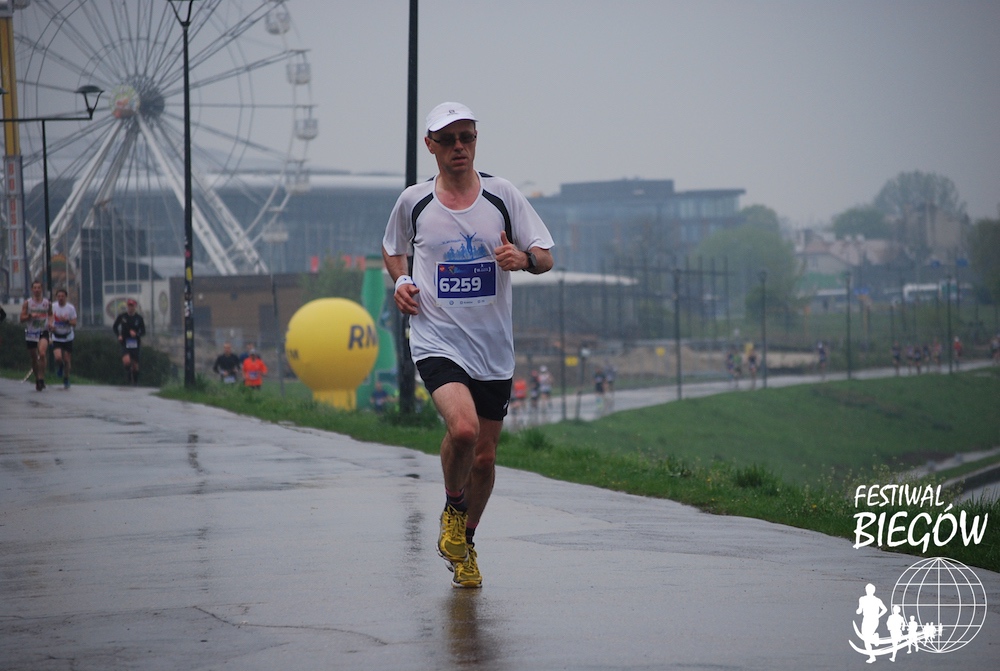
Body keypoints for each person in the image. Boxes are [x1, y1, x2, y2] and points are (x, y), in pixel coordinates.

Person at [382, 101, 554, 588]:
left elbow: (545, 255)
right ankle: (453, 511)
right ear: (430, 145)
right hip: (436, 339)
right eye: (449, 139)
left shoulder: (502, 195)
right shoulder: (414, 202)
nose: (459, 147)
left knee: (485, 457)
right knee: (463, 431)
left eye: (467, 137)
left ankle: (466, 544)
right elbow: (393, 250)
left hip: (492, 348)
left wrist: (522, 259)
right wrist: (401, 282)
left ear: (475, 141)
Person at [19, 280, 51, 391]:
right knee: (33, 356)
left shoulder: (47, 303)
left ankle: (41, 378)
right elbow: (21, 319)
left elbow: (51, 315)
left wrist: (51, 323)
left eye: (39, 288)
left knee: (42, 353)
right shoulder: (27, 303)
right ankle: (37, 379)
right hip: (31, 332)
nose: (37, 290)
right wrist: (29, 316)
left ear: (42, 289)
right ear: (32, 290)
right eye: (35, 288)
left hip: (43, 331)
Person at [112, 298, 146, 385]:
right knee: (127, 361)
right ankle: (128, 374)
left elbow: (143, 331)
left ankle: (135, 382)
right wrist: (119, 335)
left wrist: (136, 334)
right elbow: (115, 327)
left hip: (135, 343)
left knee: (135, 365)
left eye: (132, 306)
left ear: (135, 307)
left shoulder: (139, 318)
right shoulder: (122, 317)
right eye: (129, 306)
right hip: (125, 341)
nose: (130, 308)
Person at [50, 288, 78, 389]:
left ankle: (66, 378)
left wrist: (67, 321)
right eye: (59, 296)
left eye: (62, 296)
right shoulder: (53, 307)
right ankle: (60, 366)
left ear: (66, 297)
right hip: (56, 336)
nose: (60, 298)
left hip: (67, 337)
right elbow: (49, 319)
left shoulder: (70, 308)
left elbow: (74, 323)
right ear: (56, 297)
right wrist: (50, 326)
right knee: (58, 357)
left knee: (67, 359)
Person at [856, 583, 888, 664]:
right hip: (867, 619)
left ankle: (874, 639)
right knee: (865, 639)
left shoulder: (876, 600)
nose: (868, 591)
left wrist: (878, 616)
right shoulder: (863, 599)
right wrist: (878, 616)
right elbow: (860, 610)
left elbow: (885, 609)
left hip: (871, 619)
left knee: (866, 639)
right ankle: (872, 655)